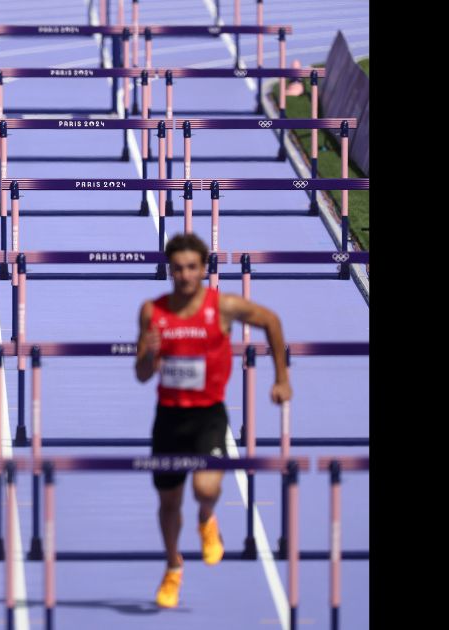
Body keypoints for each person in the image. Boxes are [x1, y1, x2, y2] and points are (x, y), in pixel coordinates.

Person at [134, 233, 292, 608]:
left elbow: (271, 321)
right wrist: (150, 355)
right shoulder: (152, 311)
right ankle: (173, 566)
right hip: (169, 418)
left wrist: (282, 378)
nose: (185, 275)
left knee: (205, 489)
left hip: (208, 416)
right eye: (178, 268)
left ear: (204, 269)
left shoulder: (222, 307)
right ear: (169, 270)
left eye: (192, 267)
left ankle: (207, 518)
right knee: (168, 501)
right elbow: (141, 374)